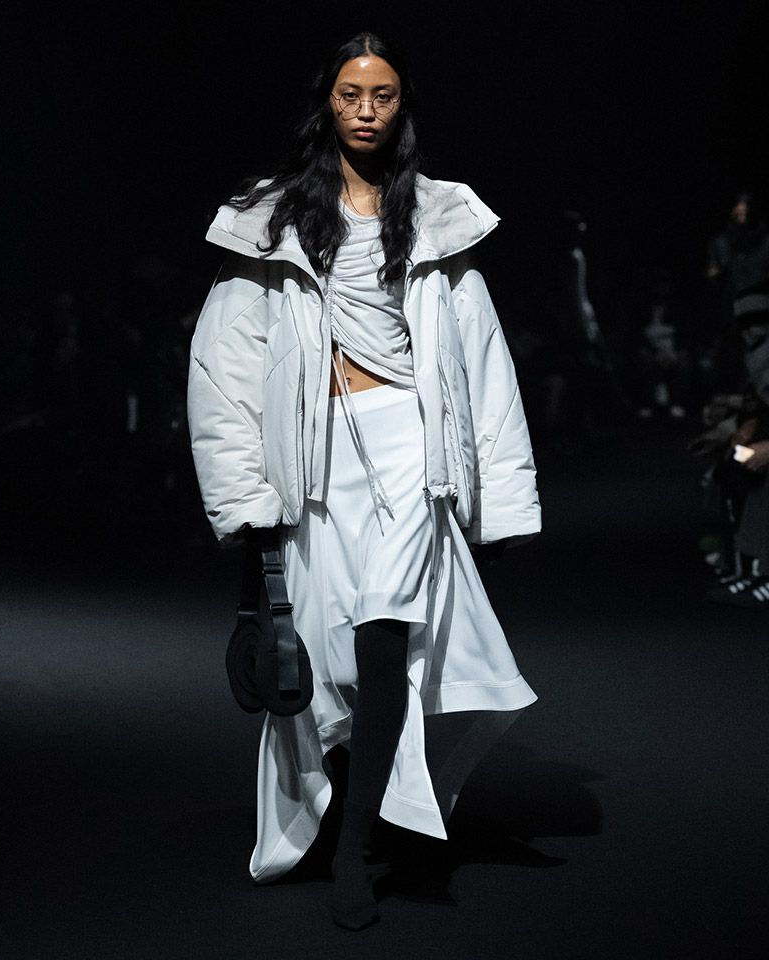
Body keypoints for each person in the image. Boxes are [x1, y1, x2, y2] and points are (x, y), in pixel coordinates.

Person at [187, 33, 541, 929]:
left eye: (382, 94)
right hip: (318, 459)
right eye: (351, 93)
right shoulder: (271, 219)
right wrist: (245, 499)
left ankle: (356, 851)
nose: (366, 110)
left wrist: (500, 501)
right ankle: (355, 810)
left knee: (384, 641)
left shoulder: (437, 216)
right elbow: (225, 367)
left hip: (411, 452)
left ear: (402, 105)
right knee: (329, 658)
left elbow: (481, 362)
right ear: (328, 103)